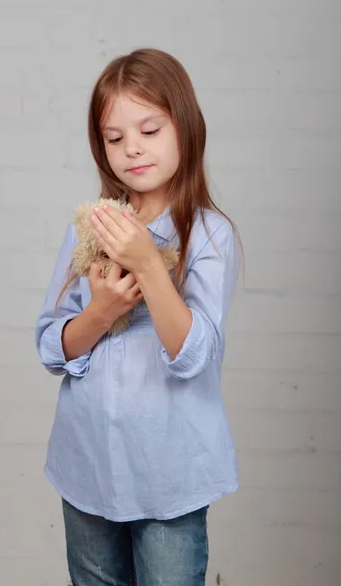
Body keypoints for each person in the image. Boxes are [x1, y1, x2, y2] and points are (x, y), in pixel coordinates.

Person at [35, 48, 241, 586]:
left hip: (170, 475)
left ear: (185, 127)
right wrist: (100, 312)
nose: (132, 150)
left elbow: (194, 354)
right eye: (114, 137)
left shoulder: (208, 234)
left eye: (149, 129)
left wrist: (150, 263)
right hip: (88, 465)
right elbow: (53, 348)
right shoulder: (91, 228)